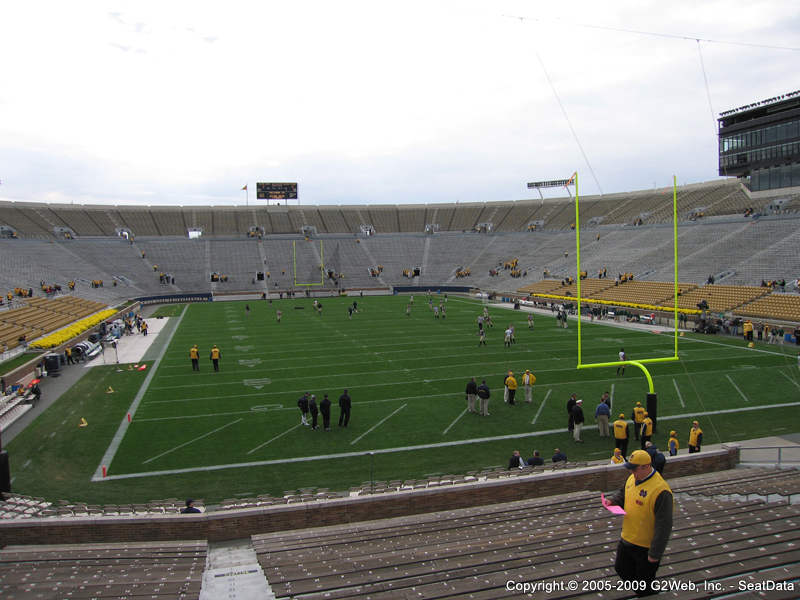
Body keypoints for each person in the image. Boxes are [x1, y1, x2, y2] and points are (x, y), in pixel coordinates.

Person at [605, 450, 673, 596]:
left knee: (645, 586)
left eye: (634, 468)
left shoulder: (661, 490)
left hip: (645, 548)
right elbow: (624, 493)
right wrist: (613, 501)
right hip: (627, 538)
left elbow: (664, 526)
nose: (631, 471)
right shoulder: (632, 478)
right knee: (621, 568)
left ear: (646, 466)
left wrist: (655, 553)